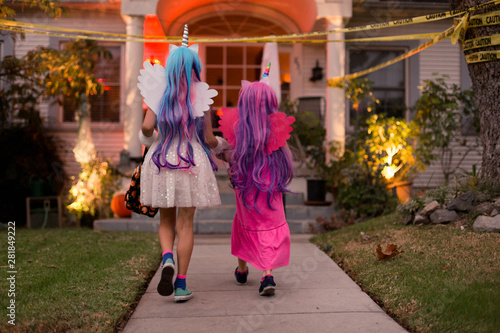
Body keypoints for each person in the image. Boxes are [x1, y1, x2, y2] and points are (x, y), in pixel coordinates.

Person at [138, 25, 222, 302]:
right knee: (186, 224)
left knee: (166, 219)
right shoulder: (201, 97)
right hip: (191, 161)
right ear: (194, 68)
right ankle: (182, 285)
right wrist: (221, 146)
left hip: (162, 159)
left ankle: (167, 259)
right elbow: (209, 139)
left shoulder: (158, 95)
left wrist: (151, 135)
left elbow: (147, 128)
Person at [217, 70, 295, 296]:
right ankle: (267, 275)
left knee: (245, 224)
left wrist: (222, 155)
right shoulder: (276, 130)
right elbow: (286, 155)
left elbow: (232, 155)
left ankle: (242, 270)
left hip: (246, 188)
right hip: (270, 189)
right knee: (269, 227)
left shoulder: (239, 129)